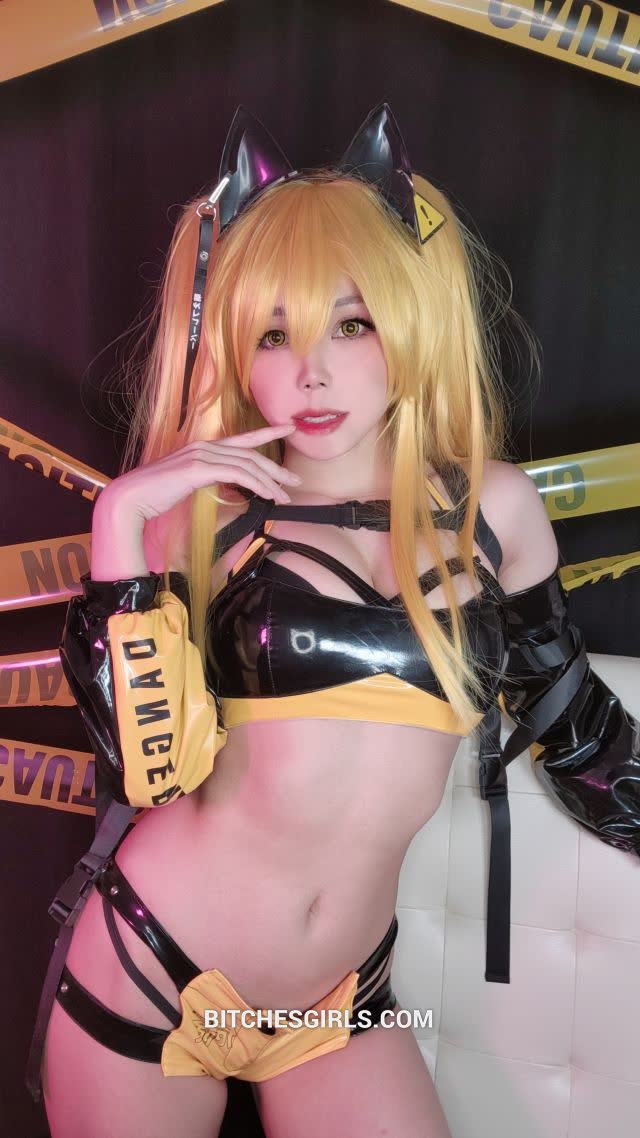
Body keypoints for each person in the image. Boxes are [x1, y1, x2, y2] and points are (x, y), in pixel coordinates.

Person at [28, 104, 640, 1138]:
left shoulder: (493, 511)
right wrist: (120, 524)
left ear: (410, 323)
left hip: (336, 1003)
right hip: (150, 969)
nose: (310, 371)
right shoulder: (205, 518)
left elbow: (575, 723)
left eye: (351, 324)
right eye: (274, 334)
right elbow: (152, 773)